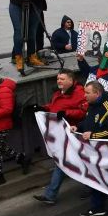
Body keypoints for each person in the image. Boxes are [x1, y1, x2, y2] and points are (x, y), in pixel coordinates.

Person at [33, 69, 88, 204]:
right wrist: (43, 108)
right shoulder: (59, 93)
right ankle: (51, 195)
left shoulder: (80, 93)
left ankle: (52, 194)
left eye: (62, 79)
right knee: (64, 162)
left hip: (75, 134)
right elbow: (54, 107)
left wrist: (67, 113)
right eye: (58, 79)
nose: (59, 81)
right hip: (63, 135)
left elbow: (84, 112)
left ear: (70, 80)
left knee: (71, 162)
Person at [75, 81, 108, 216]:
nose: (84, 96)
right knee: (96, 177)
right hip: (95, 150)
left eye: (87, 93)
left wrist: (94, 136)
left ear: (97, 93)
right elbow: (90, 122)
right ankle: (98, 206)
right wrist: (78, 127)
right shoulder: (92, 105)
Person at [7, 0, 54, 71]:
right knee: (19, 31)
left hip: (35, 5)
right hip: (17, 4)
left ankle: (32, 56)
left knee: (32, 32)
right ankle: (18, 57)